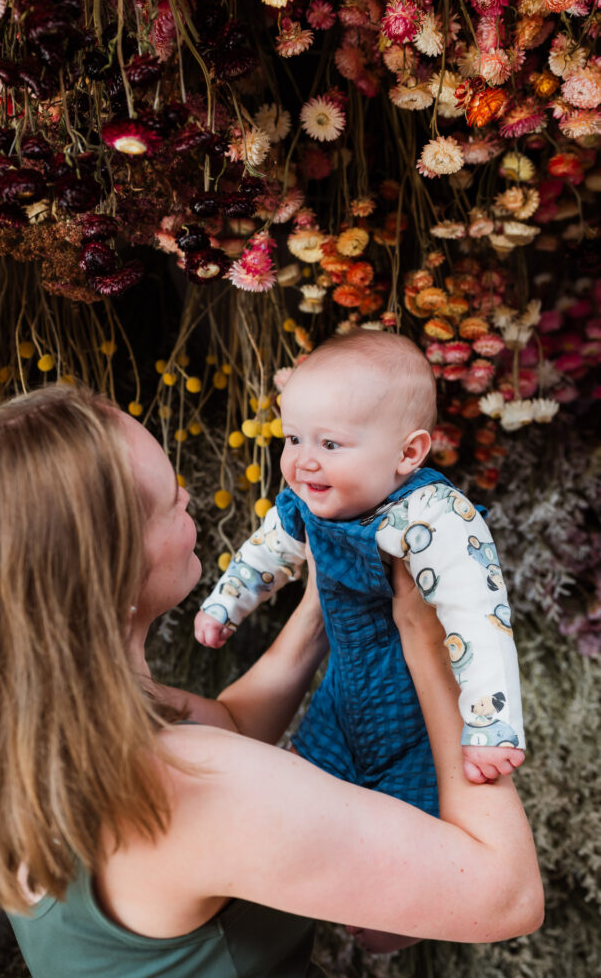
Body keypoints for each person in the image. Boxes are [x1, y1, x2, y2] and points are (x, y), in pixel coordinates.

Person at [0, 384, 543, 978]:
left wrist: (326, 599)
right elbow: (505, 895)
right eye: (174, 504)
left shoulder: (30, 723)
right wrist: (431, 643)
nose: (190, 498)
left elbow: (234, 724)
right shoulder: (194, 792)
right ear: (114, 570)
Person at [196, 329, 525, 819]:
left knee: (413, 834)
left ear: (408, 454)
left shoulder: (432, 517)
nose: (304, 459)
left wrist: (492, 727)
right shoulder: (307, 500)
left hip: (417, 722)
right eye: (293, 438)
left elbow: (478, 618)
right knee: (302, 808)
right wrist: (227, 602)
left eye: (330, 443)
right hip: (340, 705)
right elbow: (269, 549)